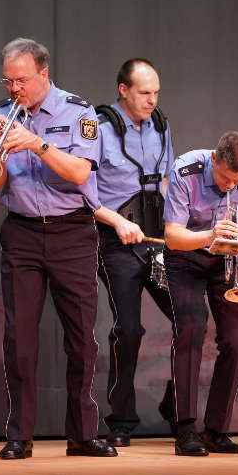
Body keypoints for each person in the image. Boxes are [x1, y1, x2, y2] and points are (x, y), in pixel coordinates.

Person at [0, 38, 116, 459]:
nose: (14, 88)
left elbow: (79, 172)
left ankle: (83, 435)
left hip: (72, 232)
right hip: (21, 231)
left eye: (21, 80)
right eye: (8, 80)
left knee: (80, 340)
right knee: (19, 339)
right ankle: (19, 435)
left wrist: (36, 143)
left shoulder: (79, 111)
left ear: (43, 75)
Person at [163, 132, 238, 456]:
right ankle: (185, 429)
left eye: (236, 181)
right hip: (186, 256)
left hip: (229, 257)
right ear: (214, 159)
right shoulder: (186, 171)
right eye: (224, 178)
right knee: (191, 330)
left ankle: (216, 429)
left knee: (237, 342)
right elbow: (172, 237)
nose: (229, 186)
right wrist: (211, 234)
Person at [93, 58, 176, 446]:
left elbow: (170, 180)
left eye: (156, 92)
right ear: (123, 90)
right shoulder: (98, 127)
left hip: (157, 239)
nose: (152, 100)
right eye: (145, 93)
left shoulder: (160, 124)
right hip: (116, 240)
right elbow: (83, 192)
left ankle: (177, 409)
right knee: (128, 329)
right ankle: (121, 421)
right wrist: (117, 222)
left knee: (189, 319)